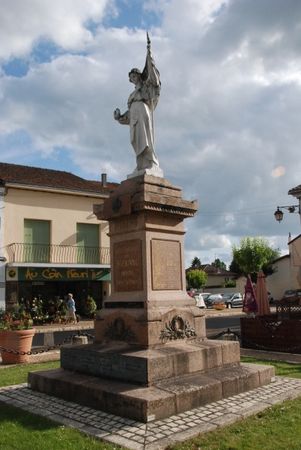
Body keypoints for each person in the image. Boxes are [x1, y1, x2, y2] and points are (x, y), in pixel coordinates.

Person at [114, 33, 163, 178]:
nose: (133, 79)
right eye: (131, 78)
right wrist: (120, 117)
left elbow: (154, 81)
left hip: (143, 112)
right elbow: (128, 116)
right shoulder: (131, 96)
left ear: (139, 76)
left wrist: (149, 57)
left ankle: (151, 163)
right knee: (136, 140)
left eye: (135, 76)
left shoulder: (146, 88)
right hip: (134, 116)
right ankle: (141, 164)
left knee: (146, 139)